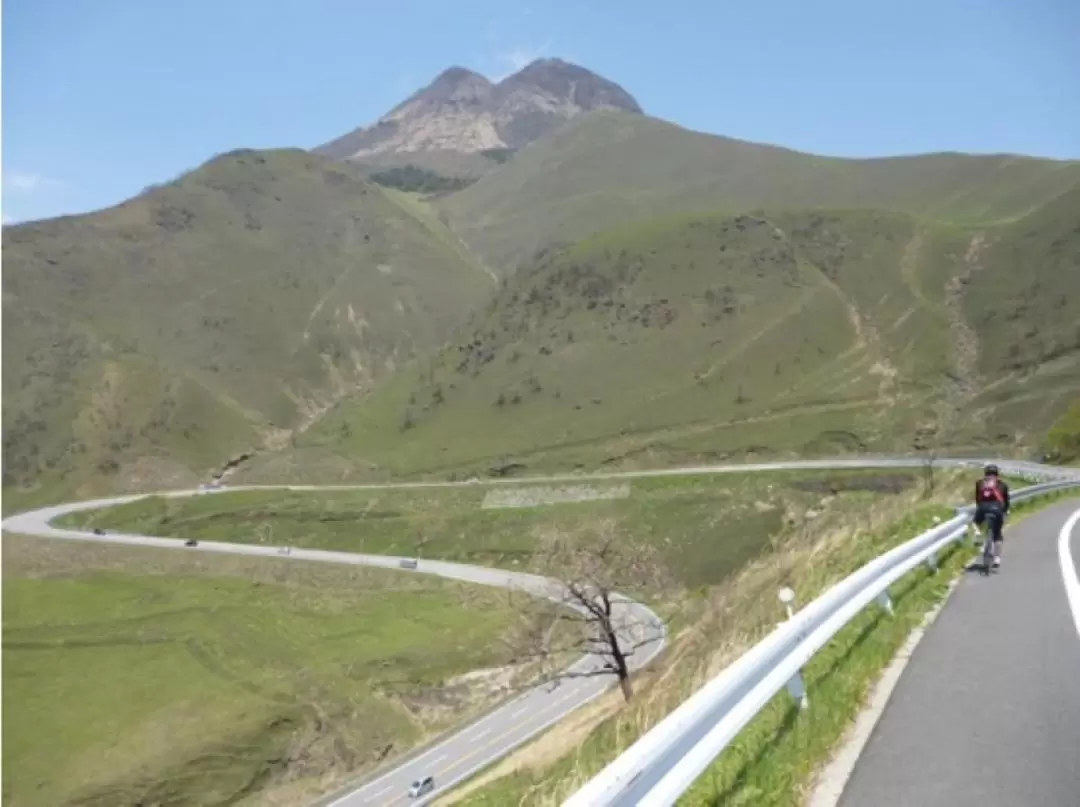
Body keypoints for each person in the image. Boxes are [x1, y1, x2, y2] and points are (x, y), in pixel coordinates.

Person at [972, 463, 1010, 568]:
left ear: (985, 473)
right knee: (997, 535)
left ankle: (978, 533)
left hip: (983, 508)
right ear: (997, 474)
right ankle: (997, 558)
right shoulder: (1003, 485)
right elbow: (1006, 502)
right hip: (997, 510)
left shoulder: (980, 483)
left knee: (975, 522)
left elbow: (977, 499)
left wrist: (980, 509)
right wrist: (1005, 512)